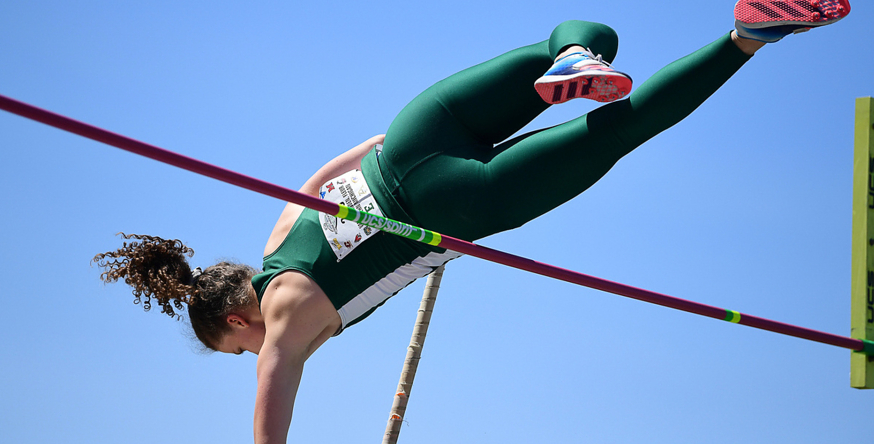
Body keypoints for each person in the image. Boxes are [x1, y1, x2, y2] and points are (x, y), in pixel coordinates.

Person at [93, 2, 851, 443]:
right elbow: (330, 167)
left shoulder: (284, 322)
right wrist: (394, 150)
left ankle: (748, 37)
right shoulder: (277, 235)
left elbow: (271, 398)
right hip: (414, 133)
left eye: (237, 347)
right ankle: (575, 58)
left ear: (238, 314)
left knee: (623, 128)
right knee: (580, 34)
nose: (252, 354)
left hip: (459, 202)